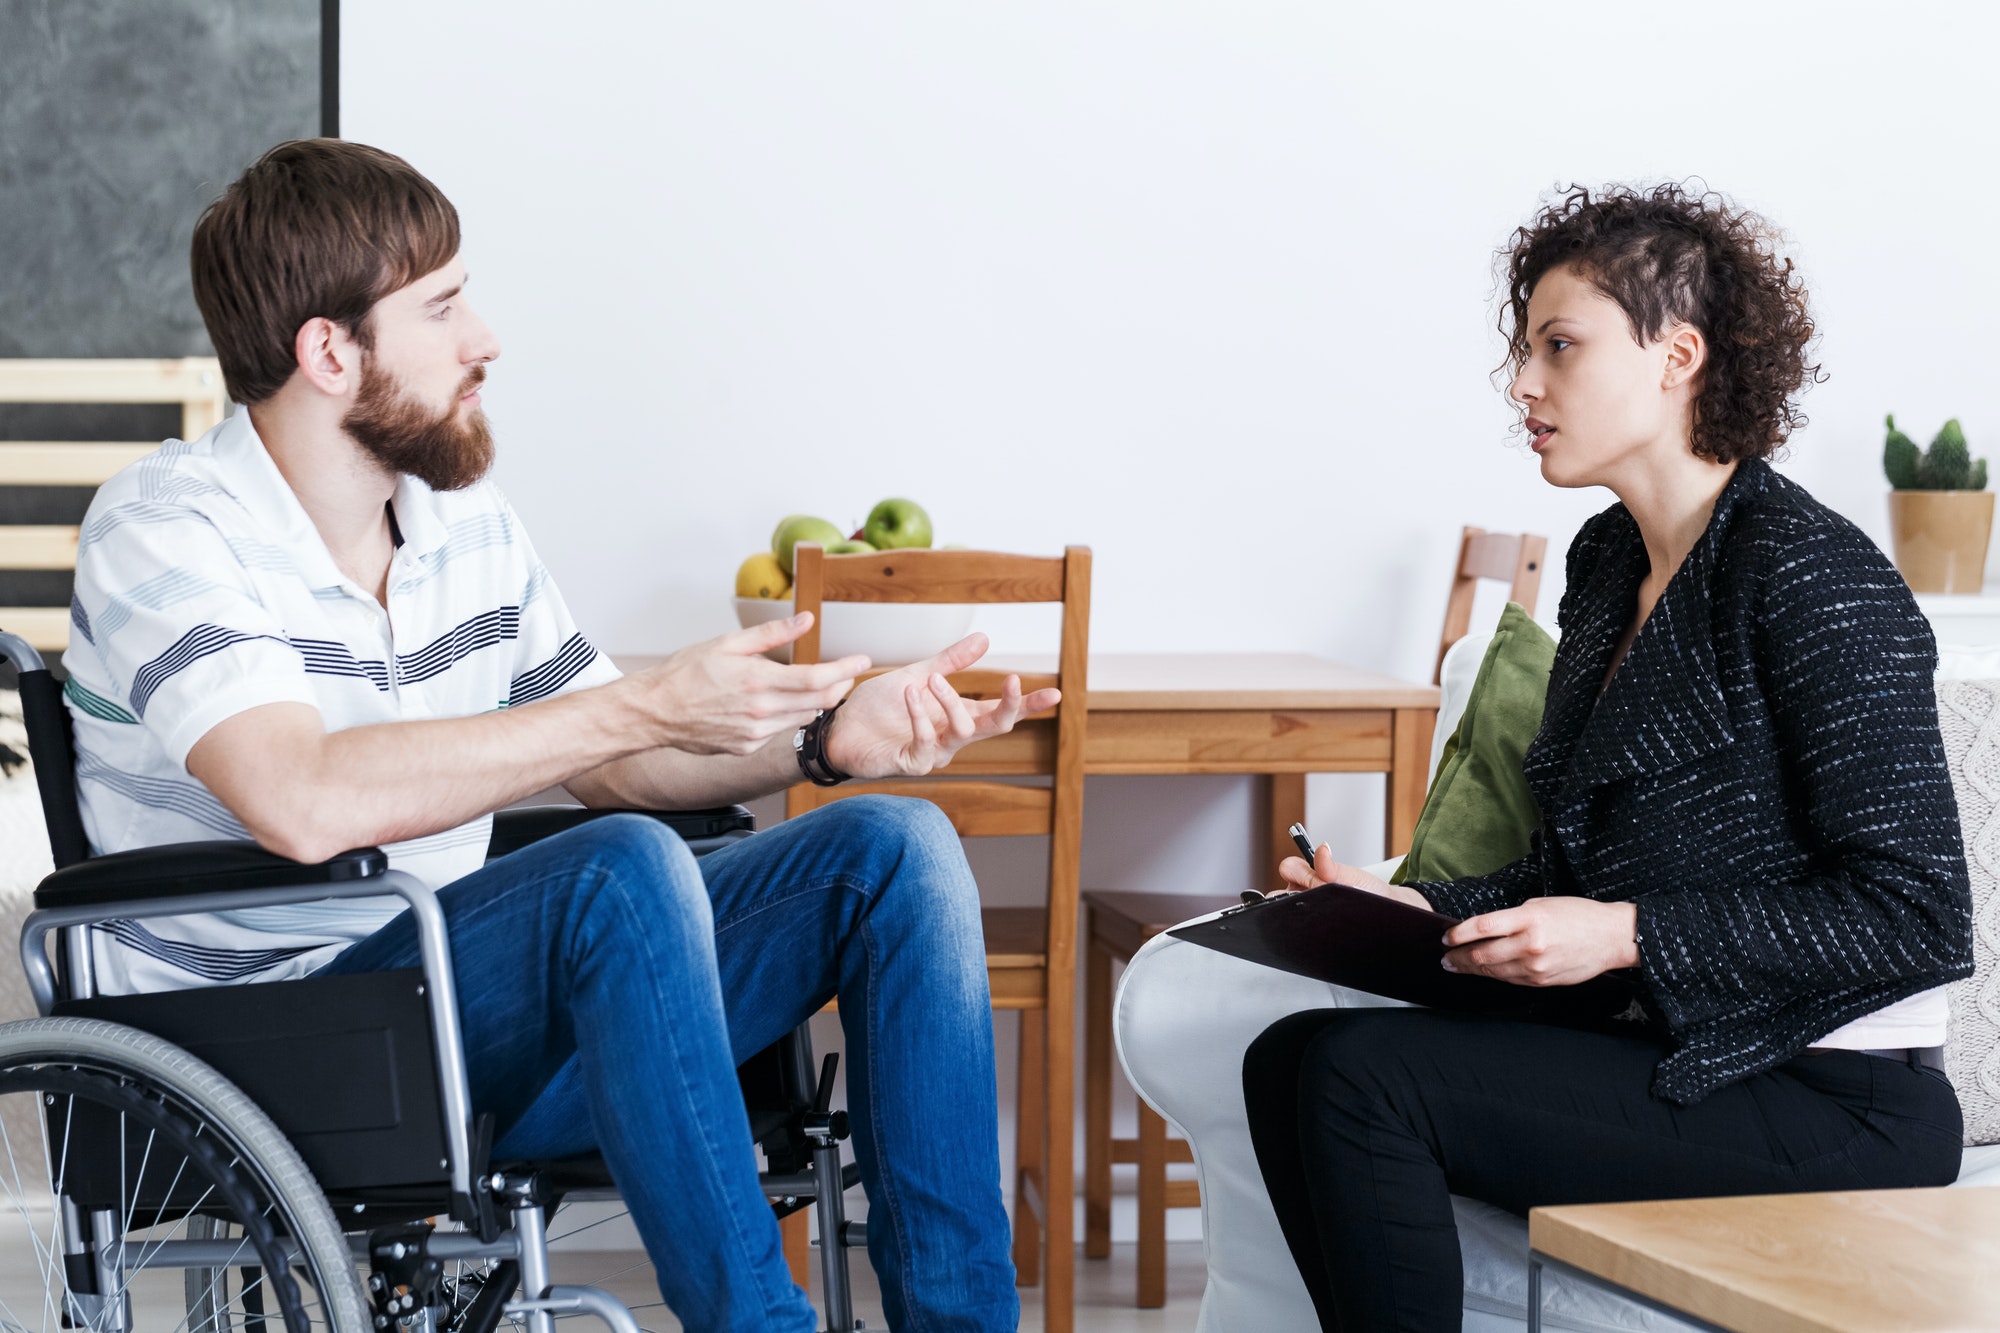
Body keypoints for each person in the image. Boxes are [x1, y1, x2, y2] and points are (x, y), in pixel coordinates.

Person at [63, 138, 1042, 1333]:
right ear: (329, 351)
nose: (484, 338)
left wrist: (828, 740)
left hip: (456, 1007)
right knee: (613, 874)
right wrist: (633, 704)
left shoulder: (459, 516)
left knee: (893, 846)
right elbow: (298, 797)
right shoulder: (166, 526)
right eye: (443, 306)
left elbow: (615, 756)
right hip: (276, 1036)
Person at [1241, 183, 1976, 1332]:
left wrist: (1625, 933)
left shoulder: (1810, 574)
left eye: (1558, 347)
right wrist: (1397, 903)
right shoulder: (1605, 563)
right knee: (1287, 1056)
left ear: (1676, 355)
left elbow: (1917, 917)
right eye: (1522, 351)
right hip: (1682, 1047)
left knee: (1357, 1077)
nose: (1521, 385)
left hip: (1837, 1096)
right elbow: (1562, 876)